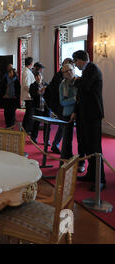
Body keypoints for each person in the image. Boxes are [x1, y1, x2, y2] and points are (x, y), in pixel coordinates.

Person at [71, 50, 106, 191]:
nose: (75, 65)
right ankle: (91, 175)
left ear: (80, 60)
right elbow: (81, 93)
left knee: (95, 148)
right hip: (85, 114)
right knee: (88, 146)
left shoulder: (92, 69)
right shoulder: (87, 71)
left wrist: (76, 81)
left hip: (92, 115)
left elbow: (85, 88)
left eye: (75, 62)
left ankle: (100, 179)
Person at [59, 63, 85, 172]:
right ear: (63, 74)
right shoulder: (62, 85)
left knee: (81, 139)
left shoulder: (80, 81)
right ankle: (66, 162)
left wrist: (75, 99)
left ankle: (81, 163)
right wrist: (75, 98)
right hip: (67, 114)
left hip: (81, 114)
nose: (69, 72)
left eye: (70, 70)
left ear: (74, 69)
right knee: (66, 139)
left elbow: (83, 99)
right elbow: (62, 102)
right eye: (66, 71)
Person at [45, 58, 74, 154]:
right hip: (60, 106)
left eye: (70, 68)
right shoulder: (59, 77)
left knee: (63, 127)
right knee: (64, 127)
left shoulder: (73, 78)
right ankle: (57, 146)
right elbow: (56, 93)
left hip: (66, 107)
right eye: (67, 68)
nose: (69, 71)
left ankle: (56, 145)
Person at [29, 71, 49, 145]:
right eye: (37, 76)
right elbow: (32, 95)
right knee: (36, 124)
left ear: (42, 76)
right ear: (35, 77)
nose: (38, 77)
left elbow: (50, 95)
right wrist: (38, 92)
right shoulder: (32, 85)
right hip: (37, 107)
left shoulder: (46, 85)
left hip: (46, 107)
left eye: (40, 76)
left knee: (47, 125)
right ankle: (34, 138)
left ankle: (46, 140)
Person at [21, 57, 36, 135]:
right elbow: (26, 85)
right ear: (31, 63)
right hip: (29, 95)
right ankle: (26, 128)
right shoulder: (26, 72)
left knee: (29, 113)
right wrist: (33, 92)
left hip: (29, 95)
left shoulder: (27, 71)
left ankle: (25, 128)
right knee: (29, 113)